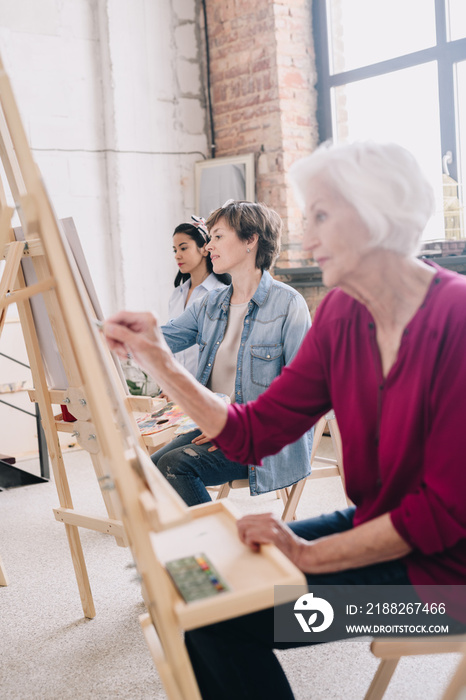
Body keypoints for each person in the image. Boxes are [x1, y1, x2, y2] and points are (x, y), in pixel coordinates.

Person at [104, 141, 466, 699]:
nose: (307, 238)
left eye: (321, 216)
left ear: (377, 216)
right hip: (379, 531)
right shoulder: (342, 313)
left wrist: (305, 554)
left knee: (225, 615)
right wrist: (158, 359)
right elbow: (255, 432)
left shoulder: (457, 322)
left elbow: (440, 515)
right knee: (201, 593)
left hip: (443, 590)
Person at [150, 200, 313, 506]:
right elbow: (162, 339)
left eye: (218, 236)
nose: (209, 245)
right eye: (210, 237)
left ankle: (220, 549)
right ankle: (189, 546)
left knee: (176, 467)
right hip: (217, 426)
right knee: (147, 469)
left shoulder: (289, 305)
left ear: (251, 240)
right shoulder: (210, 304)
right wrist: (109, 331)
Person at [167, 218, 229, 376]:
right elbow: (172, 347)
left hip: (210, 391)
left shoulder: (221, 294)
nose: (177, 256)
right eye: (175, 250)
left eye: (183, 248)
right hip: (177, 391)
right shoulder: (176, 295)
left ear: (204, 249)